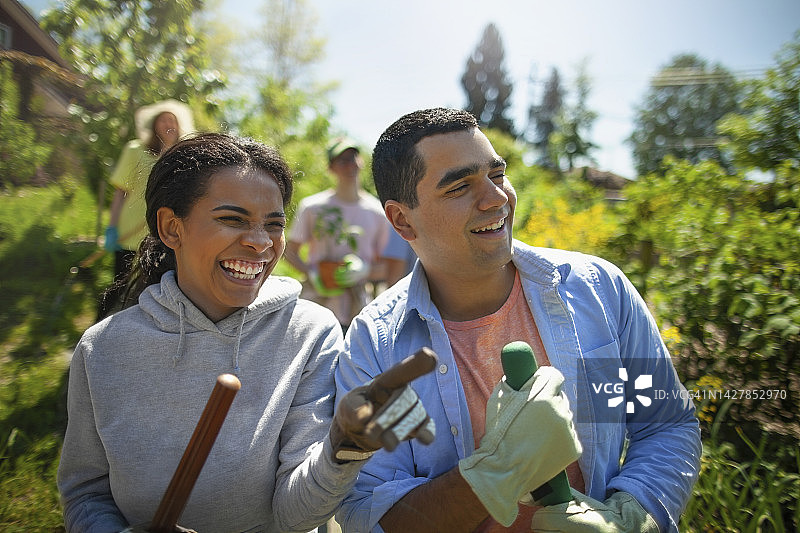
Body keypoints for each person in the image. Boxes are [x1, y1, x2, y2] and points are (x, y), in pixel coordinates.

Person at [335, 108, 702, 532]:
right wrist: (493, 473)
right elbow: (367, 512)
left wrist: (636, 515)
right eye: (459, 186)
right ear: (402, 220)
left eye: (497, 174)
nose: (496, 198)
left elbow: (665, 422)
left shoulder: (598, 290)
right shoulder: (374, 345)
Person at [57, 133, 435, 532]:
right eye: (232, 219)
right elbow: (86, 493)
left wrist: (343, 448)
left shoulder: (309, 333)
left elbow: (297, 516)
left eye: (274, 225)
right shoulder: (103, 349)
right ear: (172, 228)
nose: (259, 243)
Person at [98, 99, 195, 320]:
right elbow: (120, 192)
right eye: (163, 120)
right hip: (128, 230)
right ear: (154, 124)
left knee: (152, 288)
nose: (168, 124)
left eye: (173, 120)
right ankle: (97, 329)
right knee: (118, 284)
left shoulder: (183, 159)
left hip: (163, 235)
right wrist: (111, 227)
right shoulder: (135, 150)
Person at [284, 137, 390, 331]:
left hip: (356, 311)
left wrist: (364, 271)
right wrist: (312, 273)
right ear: (331, 168)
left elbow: (388, 266)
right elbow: (289, 251)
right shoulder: (313, 207)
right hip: (315, 306)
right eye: (342, 160)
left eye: (353, 157)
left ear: (361, 162)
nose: (349, 165)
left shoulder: (377, 213)